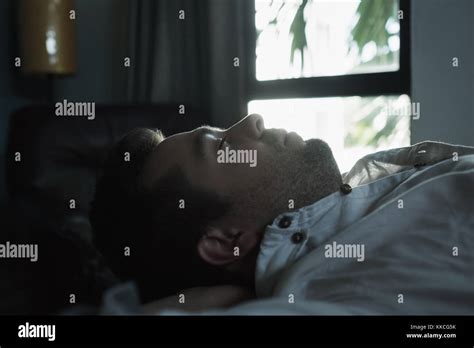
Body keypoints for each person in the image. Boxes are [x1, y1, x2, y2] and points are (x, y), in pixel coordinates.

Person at [90, 114, 474, 314]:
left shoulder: (370, 199)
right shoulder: (336, 286)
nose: (253, 120)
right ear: (227, 241)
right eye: (221, 145)